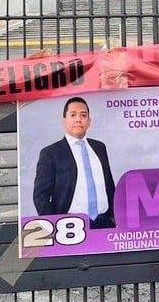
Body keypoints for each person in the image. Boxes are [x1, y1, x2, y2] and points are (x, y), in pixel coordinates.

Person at [33, 97, 117, 228]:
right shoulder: (51, 153)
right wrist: (54, 225)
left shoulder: (99, 148)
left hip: (104, 222)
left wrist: (113, 216)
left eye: (83, 115)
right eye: (73, 115)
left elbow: (109, 185)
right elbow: (40, 197)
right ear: (64, 121)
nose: (78, 119)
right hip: (69, 226)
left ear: (89, 121)